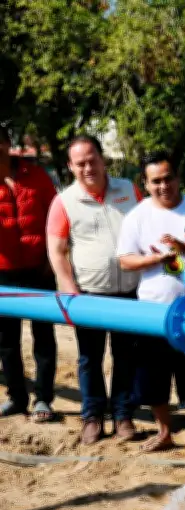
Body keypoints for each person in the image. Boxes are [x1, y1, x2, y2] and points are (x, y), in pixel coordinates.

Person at [117, 151, 185, 452]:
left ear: (178, 178)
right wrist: (156, 258)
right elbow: (125, 260)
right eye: (156, 181)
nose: (164, 186)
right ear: (146, 184)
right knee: (153, 376)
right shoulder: (136, 216)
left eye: (168, 178)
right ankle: (164, 432)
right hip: (154, 310)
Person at [46, 135, 142, 444]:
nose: (88, 167)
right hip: (89, 294)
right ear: (71, 167)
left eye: (92, 160)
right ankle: (92, 417)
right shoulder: (64, 202)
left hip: (128, 290)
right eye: (81, 163)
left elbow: (147, 229)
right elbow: (57, 251)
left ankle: (124, 415)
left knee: (126, 357)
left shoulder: (128, 190)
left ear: (103, 159)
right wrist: (69, 289)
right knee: (90, 359)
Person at [0, 127, 58, 423]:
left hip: (39, 269)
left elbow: (55, 217)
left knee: (43, 336)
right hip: (3, 274)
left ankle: (43, 398)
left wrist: (53, 259)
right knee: (7, 341)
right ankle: (16, 397)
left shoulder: (36, 175)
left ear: (7, 144)